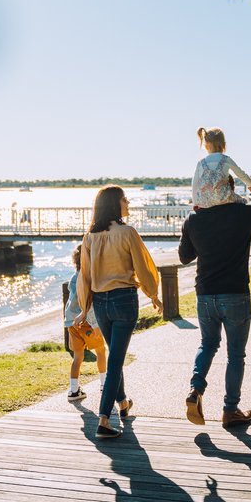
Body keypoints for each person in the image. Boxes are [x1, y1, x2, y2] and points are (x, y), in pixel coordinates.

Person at [179, 178, 251, 428]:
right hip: (235, 293)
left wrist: (201, 234)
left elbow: (185, 257)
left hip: (205, 294)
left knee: (207, 344)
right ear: (231, 189)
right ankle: (230, 410)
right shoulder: (243, 213)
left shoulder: (194, 219)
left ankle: (195, 390)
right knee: (235, 355)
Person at [76, 185, 162, 440]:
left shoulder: (89, 237)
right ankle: (104, 418)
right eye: (125, 199)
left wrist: (85, 306)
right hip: (124, 300)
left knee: (115, 354)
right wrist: (153, 294)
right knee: (115, 360)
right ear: (116, 204)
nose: (128, 203)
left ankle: (123, 403)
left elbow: (85, 276)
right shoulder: (127, 233)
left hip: (101, 302)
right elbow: (144, 267)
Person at [64, 245, 107, 402]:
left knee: (78, 357)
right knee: (101, 351)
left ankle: (74, 391)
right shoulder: (87, 279)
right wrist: (96, 325)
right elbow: (87, 304)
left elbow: (71, 302)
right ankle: (104, 384)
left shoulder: (74, 277)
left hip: (71, 322)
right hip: (86, 322)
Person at [192, 126, 251, 209]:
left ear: (206, 146)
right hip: (224, 198)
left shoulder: (201, 163)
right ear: (223, 144)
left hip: (205, 202)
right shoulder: (226, 159)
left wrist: (195, 203)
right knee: (243, 201)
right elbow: (241, 174)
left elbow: (195, 184)